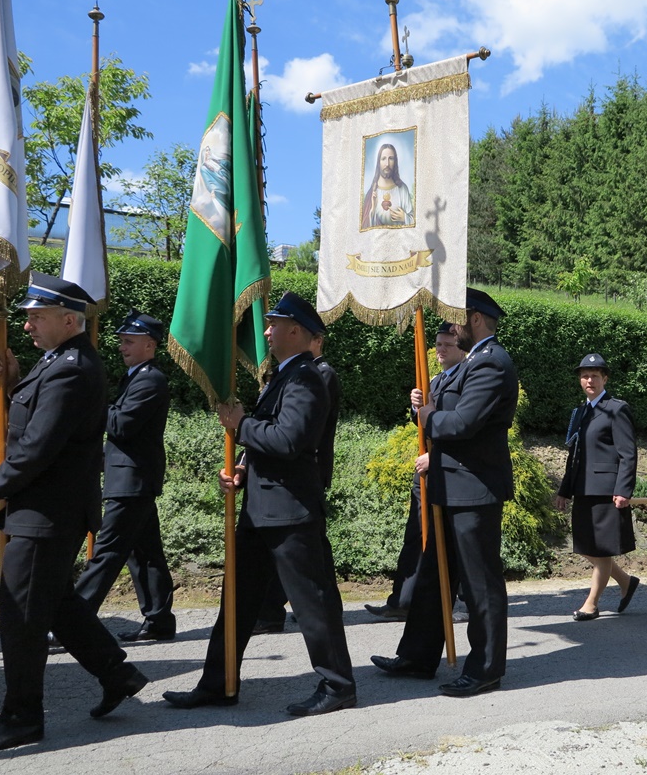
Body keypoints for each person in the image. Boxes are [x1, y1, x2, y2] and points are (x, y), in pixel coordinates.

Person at [163, 292, 356, 716]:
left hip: (290, 511)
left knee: (312, 603)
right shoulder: (284, 376)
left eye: (274, 324)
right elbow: (270, 441)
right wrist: (242, 468)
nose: (266, 331)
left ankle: (338, 685)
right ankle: (219, 682)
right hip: (261, 508)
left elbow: (289, 441)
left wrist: (241, 424)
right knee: (237, 601)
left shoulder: (306, 378)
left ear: (297, 331)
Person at [0, 273, 149, 751]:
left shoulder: (72, 368)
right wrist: (12, 382)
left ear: (68, 320)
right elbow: (38, 420)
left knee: (20, 615)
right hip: (43, 508)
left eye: (36, 317)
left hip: (45, 512)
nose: (27, 326)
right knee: (56, 602)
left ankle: (22, 716)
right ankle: (116, 674)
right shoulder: (57, 361)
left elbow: (38, 446)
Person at [371, 288, 518, 697]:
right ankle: (418, 657)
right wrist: (426, 405)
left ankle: (486, 668)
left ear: (474, 319)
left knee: (479, 583)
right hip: (451, 485)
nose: (451, 328)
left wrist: (427, 414)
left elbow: (461, 423)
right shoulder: (470, 361)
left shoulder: (491, 362)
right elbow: (444, 411)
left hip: (474, 488)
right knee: (434, 577)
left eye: (455, 318)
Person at [68, 309, 176, 642]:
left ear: (149, 344)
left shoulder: (150, 379)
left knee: (107, 552)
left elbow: (121, 426)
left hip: (132, 482)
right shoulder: (136, 377)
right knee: (144, 554)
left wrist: (91, 402)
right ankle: (159, 620)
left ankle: (73, 623)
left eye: (129, 341)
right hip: (130, 479)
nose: (122, 347)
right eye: (122, 341)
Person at [365, 322, 468, 620]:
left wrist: (435, 459)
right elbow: (427, 423)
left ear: (461, 348)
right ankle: (403, 600)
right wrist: (416, 408)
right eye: (438, 344)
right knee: (417, 534)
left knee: (453, 540)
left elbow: (462, 428)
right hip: (426, 471)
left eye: (447, 344)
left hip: (450, 470)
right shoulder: (434, 380)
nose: (440, 349)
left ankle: (459, 603)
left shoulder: (467, 378)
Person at [252, 327, 343, 634]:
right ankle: (270, 611)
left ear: (316, 340)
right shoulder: (290, 372)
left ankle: (319, 610)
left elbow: (299, 431)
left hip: (305, 471)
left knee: (308, 554)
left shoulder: (318, 374)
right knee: (295, 552)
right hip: (283, 475)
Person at [555, 353, 640, 620]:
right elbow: (575, 454)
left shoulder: (616, 409)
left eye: (594, 375)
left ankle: (591, 604)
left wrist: (623, 489)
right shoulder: (580, 412)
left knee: (600, 550)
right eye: (584, 376)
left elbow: (628, 453)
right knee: (586, 547)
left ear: (605, 379)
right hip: (583, 489)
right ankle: (625, 581)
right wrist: (565, 489)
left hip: (606, 491)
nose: (589, 380)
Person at [361, 142, 414, 228]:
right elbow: (366, 227)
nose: (387, 164)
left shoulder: (402, 189)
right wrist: (373, 209)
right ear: (379, 162)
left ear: (395, 162)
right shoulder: (372, 192)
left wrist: (405, 218)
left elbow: (414, 222)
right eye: (383, 159)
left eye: (391, 159)